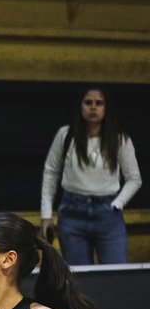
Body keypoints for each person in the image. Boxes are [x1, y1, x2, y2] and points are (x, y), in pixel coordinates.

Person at [40, 86, 142, 266]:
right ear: (80, 106)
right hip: (72, 213)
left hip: (108, 215)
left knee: (115, 275)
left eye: (99, 103)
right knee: (79, 280)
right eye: (88, 102)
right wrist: (46, 215)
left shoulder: (119, 139)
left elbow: (134, 178)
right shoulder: (66, 135)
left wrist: (118, 204)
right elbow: (51, 172)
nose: (93, 107)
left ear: (106, 108)